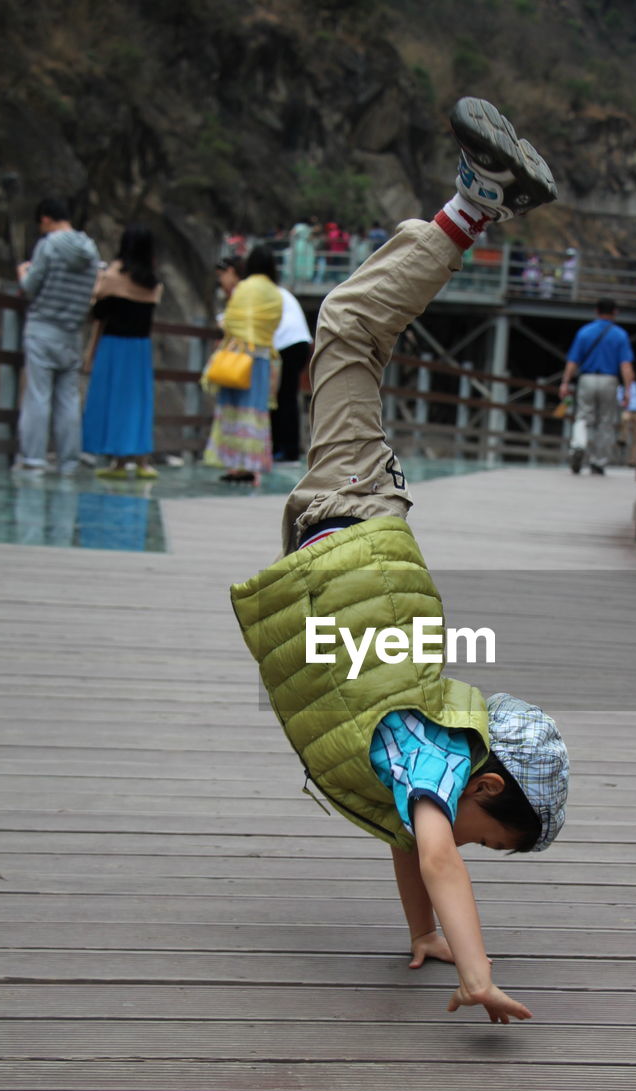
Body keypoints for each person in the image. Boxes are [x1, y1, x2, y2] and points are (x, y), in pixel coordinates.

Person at [230, 97, 569, 1025]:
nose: (469, 847)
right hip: (350, 519)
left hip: (345, 535)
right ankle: (477, 202)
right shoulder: (435, 761)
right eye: (489, 841)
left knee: (349, 334)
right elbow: (433, 853)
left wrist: (417, 932)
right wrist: (474, 970)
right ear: (486, 787)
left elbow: (402, 845)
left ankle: (475, 203)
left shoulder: (418, 768)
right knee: (345, 326)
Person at [15, 197, 100, 475]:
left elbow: (31, 286)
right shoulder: (90, 250)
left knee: (38, 395)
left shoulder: (47, 246)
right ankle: (69, 461)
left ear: (46, 219)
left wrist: (22, 273)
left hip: (43, 327)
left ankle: (34, 459)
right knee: (68, 398)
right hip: (72, 332)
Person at [82, 225, 163, 479]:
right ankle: (141, 460)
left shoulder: (113, 277)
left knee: (113, 401)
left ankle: (118, 459)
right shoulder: (152, 282)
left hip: (113, 346)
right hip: (139, 348)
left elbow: (97, 312)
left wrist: (103, 277)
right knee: (138, 402)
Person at [203, 245, 283, 484]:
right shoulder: (275, 293)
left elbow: (231, 321)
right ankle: (254, 467)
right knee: (255, 413)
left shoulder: (244, 288)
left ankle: (234, 465)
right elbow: (273, 323)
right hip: (261, 360)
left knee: (233, 411)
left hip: (238, 358)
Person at [559, 299, 634, 475]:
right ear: (615, 312)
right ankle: (598, 461)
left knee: (584, 416)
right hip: (609, 379)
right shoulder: (620, 335)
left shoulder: (584, 332)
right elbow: (626, 365)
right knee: (606, 421)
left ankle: (578, 445)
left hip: (587, 378)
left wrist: (565, 382)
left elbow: (573, 361)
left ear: (596, 311)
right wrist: (628, 390)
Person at [270, 286, 313, 462]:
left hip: (286, 344)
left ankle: (285, 450)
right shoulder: (281, 292)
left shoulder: (261, 289)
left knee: (281, 397)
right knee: (287, 396)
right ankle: (289, 449)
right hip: (300, 342)